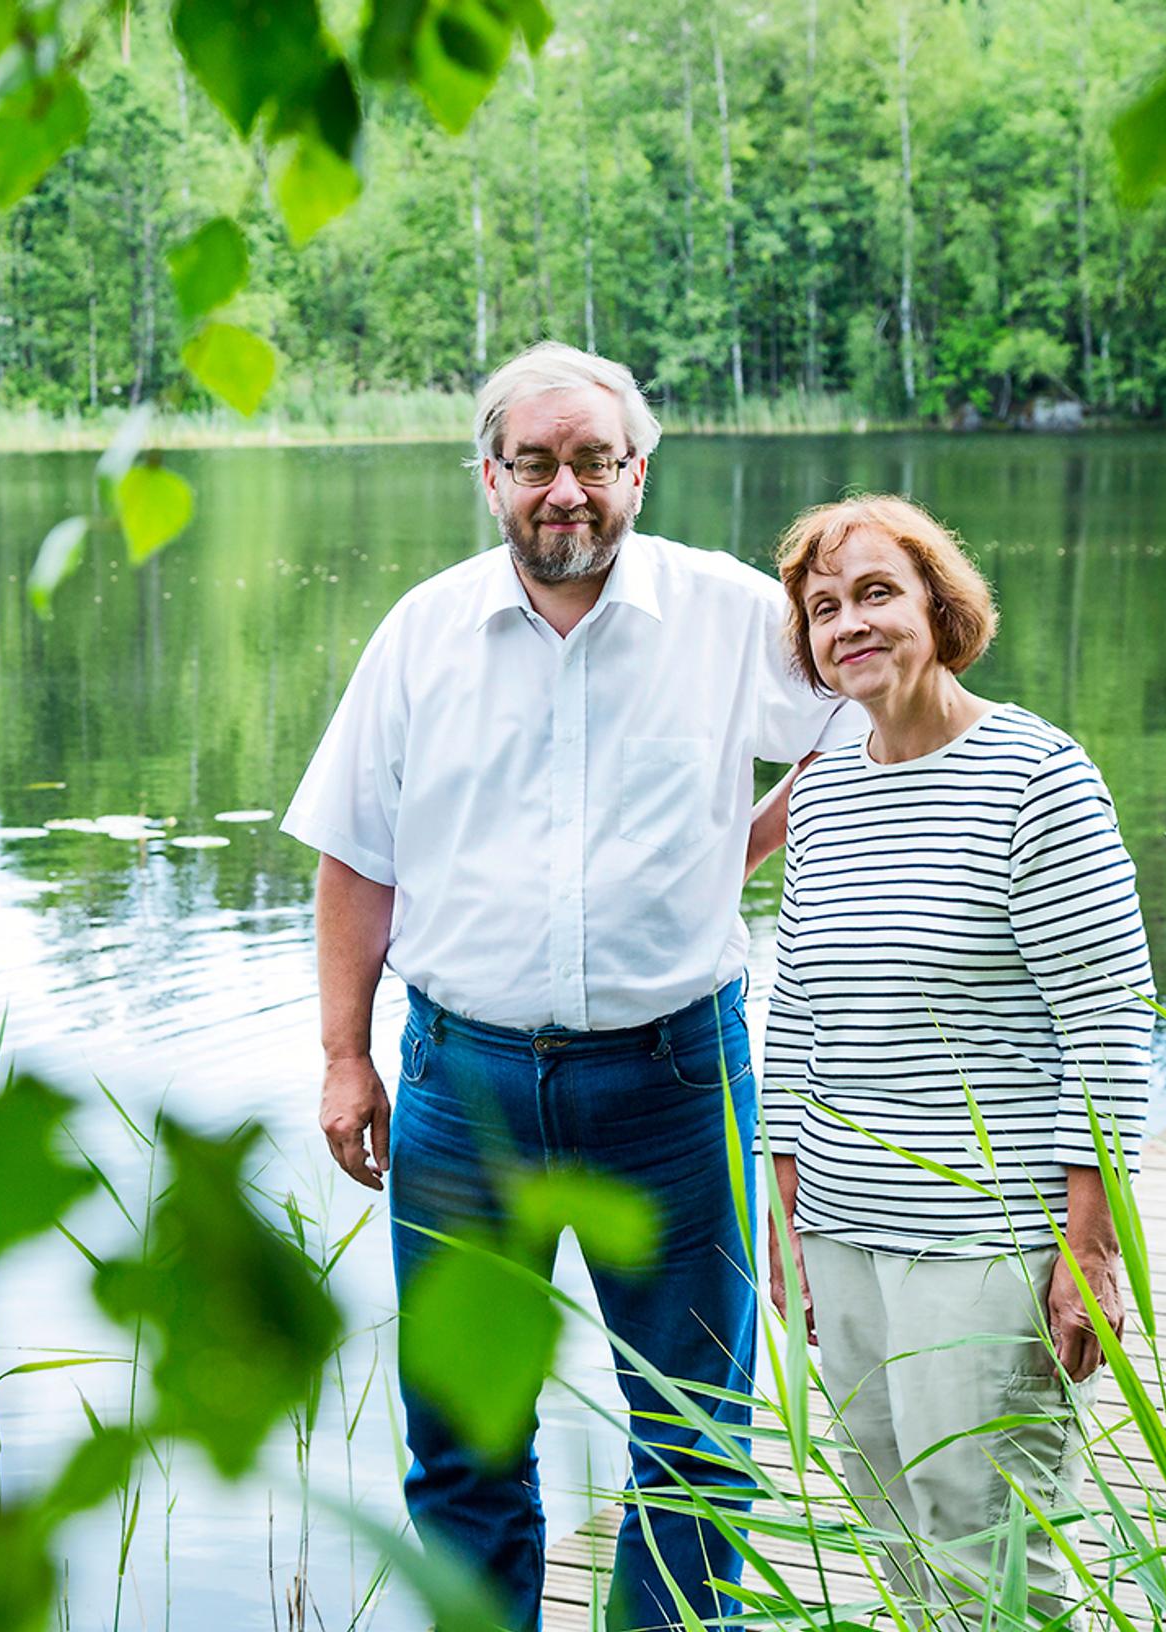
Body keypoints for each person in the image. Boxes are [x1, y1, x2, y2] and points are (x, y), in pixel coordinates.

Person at [281, 341, 858, 1632]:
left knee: (696, 1443)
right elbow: (354, 860)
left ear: (638, 472)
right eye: (536, 462)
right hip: (458, 1090)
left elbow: (859, 717)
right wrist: (342, 1053)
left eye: (594, 461)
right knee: (465, 1450)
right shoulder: (423, 635)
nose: (566, 491)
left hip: (673, 1084)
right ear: (490, 478)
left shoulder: (727, 616)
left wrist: (747, 836)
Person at [759, 494, 1154, 1627]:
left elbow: (1108, 1024)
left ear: (939, 603)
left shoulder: (1038, 775)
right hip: (841, 1224)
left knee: (987, 1530)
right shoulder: (824, 786)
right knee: (891, 1518)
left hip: (985, 1229)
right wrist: (786, 1215)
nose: (850, 624)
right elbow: (799, 1014)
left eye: (877, 592)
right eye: (824, 608)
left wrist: (1091, 1248)